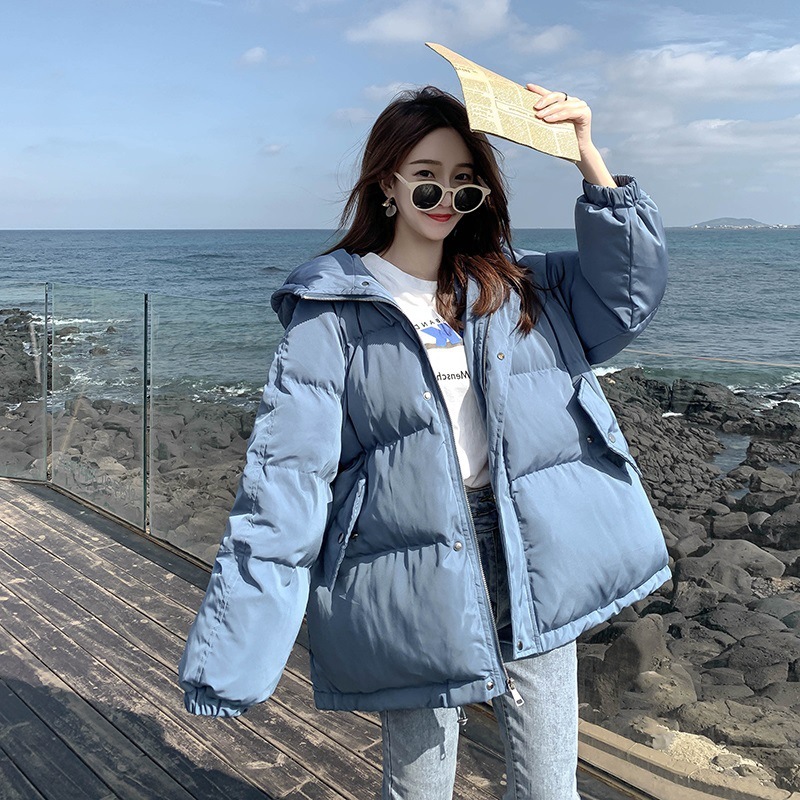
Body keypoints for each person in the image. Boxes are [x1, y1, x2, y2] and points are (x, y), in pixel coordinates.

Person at [178, 83, 670, 800]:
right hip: (405, 566)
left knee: (549, 787)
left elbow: (628, 293)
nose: (446, 198)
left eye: (465, 182)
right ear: (387, 184)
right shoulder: (332, 310)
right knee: (419, 783)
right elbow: (288, 473)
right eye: (427, 178)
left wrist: (586, 156)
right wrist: (235, 649)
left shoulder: (517, 286)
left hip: (530, 549)